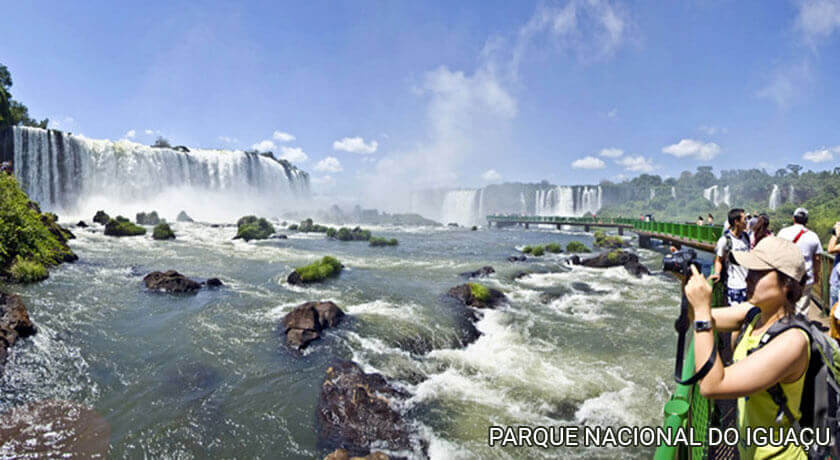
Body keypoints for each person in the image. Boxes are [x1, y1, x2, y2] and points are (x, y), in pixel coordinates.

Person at [686, 236, 810, 460]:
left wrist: (703, 312)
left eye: (759, 272)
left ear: (786, 283)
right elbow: (696, 315)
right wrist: (687, 284)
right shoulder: (754, 314)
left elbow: (712, 385)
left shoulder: (793, 341)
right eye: (749, 270)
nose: (749, 278)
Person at [777, 208, 823, 316]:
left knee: (786, 304)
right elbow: (817, 259)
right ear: (806, 221)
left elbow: (777, 253)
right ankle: (800, 328)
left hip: (786, 275)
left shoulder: (783, 232)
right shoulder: (813, 236)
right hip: (805, 277)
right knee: (802, 308)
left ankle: (786, 327)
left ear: (793, 219)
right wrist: (816, 274)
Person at [710, 208, 750, 305]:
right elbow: (718, 260)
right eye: (744, 219)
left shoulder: (746, 237)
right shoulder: (725, 240)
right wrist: (717, 273)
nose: (747, 222)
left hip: (748, 286)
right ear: (736, 222)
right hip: (734, 286)